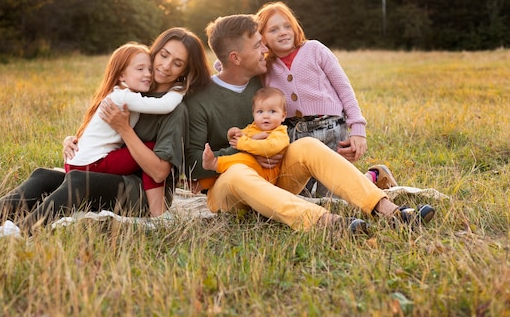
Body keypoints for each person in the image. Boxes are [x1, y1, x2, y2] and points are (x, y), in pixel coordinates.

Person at [184, 14, 435, 234]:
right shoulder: (201, 100)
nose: (265, 50)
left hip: (275, 177)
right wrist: (246, 151)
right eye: (258, 45)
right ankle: (326, 223)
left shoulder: (264, 81)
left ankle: (389, 211)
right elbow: (193, 164)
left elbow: (324, 88)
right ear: (236, 57)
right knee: (238, 172)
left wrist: (355, 128)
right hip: (229, 190)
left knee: (306, 146)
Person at [0, 27, 212, 232]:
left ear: (185, 71)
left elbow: (159, 172)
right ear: (153, 53)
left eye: (177, 63)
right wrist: (73, 141)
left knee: (77, 181)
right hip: (110, 175)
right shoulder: (136, 90)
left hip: (141, 193)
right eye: (163, 55)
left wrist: (125, 129)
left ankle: (20, 232)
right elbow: (102, 135)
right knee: (43, 176)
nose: (165, 65)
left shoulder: (174, 109)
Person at [256, 1, 398, 196]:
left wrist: (358, 129)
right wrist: (254, 47)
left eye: (287, 26)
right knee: (299, 197)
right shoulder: (265, 66)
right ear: (261, 38)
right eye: (273, 29)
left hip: (330, 129)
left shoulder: (314, 49)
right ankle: (367, 178)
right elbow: (232, 66)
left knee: (334, 197)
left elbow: (344, 88)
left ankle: (373, 176)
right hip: (292, 136)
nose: (283, 32)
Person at [64, 42, 185, 217]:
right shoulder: (124, 97)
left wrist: (70, 138)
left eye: (150, 69)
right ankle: (159, 213)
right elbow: (165, 105)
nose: (148, 74)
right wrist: (180, 88)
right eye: (140, 69)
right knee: (150, 149)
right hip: (92, 166)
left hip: (76, 164)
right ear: (121, 75)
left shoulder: (117, 95)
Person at [202, 87, 289, 184]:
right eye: (260, 112)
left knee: (243, 159)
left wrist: (243, 143)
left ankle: (214, 163)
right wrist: (233, 134)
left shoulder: (280, 133)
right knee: (229, 169)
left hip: (267, 173)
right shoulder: (253, 127)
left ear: (283, 116)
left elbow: (270, 147)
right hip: (250, 170)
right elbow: (241, 138)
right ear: (253, 114)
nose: (266, 116)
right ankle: (200, 185)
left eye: (272, 111)